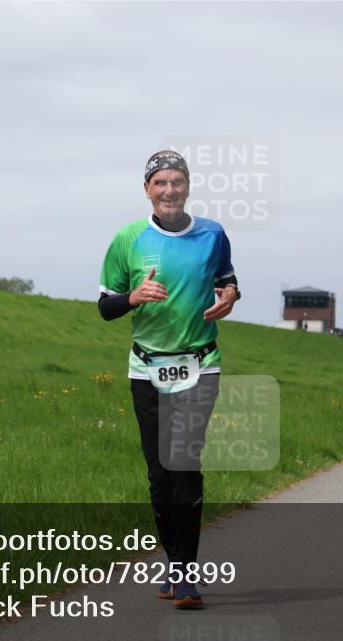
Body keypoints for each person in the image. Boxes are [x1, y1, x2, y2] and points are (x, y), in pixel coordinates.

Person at [98, 150, 239, 610]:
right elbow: (105, 306)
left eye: (177, 181)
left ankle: (185, 574)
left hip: (201, 363)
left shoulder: (213, 233)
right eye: (160, 182)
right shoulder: (128, 238)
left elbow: (228, 279)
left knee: (184, 463)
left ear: (188, 186)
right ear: (147, 190)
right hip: (147, 368)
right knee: (159, 474)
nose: (169, 190)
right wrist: (134, 296)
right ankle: (174, 561)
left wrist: (231, 296)